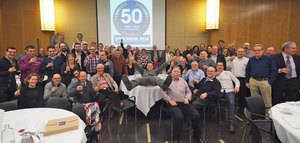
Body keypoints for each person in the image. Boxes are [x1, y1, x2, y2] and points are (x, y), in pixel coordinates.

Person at [161, 66, 203, 143]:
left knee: (196, 115)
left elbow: (188, 91)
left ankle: (197, 136)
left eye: (178, 72)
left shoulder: (183, 80)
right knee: (179, 117)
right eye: (175, 71)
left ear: (180, 73)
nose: (176, 73)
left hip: (184, 103)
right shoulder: (168, 80)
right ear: (171, 72)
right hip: (174, 104)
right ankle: (176, 138)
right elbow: (163, 92)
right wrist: (169, 100)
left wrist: (187, 98)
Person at [245, 44, 277, 116]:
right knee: (254, 101)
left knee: (267, 101)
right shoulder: (251, 59)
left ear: (262, 51)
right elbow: (247, 70)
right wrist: (247, 81)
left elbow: (274, 71)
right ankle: (256, 116)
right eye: (255, 50)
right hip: (253, 81)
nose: (257, 52)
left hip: (264, 82)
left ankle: (268, 118)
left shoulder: (269, 59)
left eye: (259, 50)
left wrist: (270, 82)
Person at [215, 62, 240, 133]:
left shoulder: (228, 73)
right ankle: (219, 118)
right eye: (218, 66)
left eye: (221, 65)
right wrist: (214, 76)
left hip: (229, 90)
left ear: (223, 67)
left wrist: (237, 87)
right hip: (220, 91)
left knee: (231, 103)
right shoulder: (214, 74)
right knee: (214, 99)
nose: (220, 67)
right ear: (216, 67)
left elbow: (237, 81)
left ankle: (231, 122)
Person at [231, 47, 250, 114]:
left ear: (244, 53)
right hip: (235, 79)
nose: (240, 53)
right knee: (237, 96)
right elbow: (232, 70)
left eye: (242, 52)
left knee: (243, 95)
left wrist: (248, 81)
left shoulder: (247, 60)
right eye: (239, 51)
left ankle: (243, 111)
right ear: (236, 52)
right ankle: (237, 110)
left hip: (243, 79)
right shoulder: (233, 60)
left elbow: (248, 71)